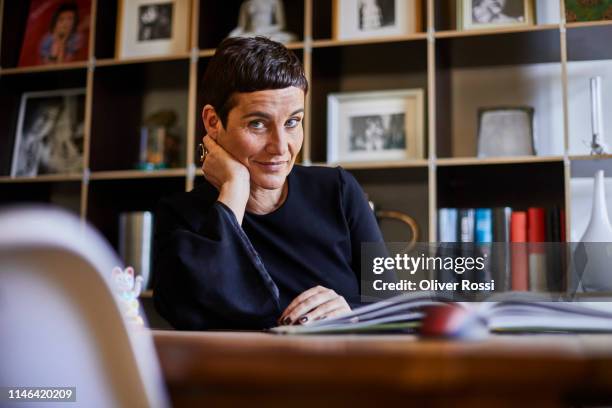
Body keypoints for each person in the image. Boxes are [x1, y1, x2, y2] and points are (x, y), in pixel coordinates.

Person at [153, 36, 385, 330]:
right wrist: (234, 192)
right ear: (213, 122)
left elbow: (391, 302)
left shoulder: (338, 190)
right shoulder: (180, 215)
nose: (280, 146)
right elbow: (188, 314)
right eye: (257, 124)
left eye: (292, 122)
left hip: (339, 372)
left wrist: (351, 312)